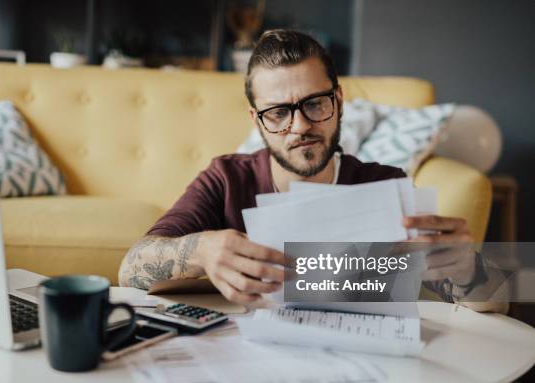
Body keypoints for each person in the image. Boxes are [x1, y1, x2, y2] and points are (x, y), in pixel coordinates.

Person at [118, 29, 504, 311]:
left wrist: (469, 268)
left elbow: (496, 303)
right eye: (278, 112)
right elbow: (130, 271)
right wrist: (201, 250)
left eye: (314, 104)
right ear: (257, 120)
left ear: (338, 100)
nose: (300, 126)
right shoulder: (226, 179)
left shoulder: (383, 185)